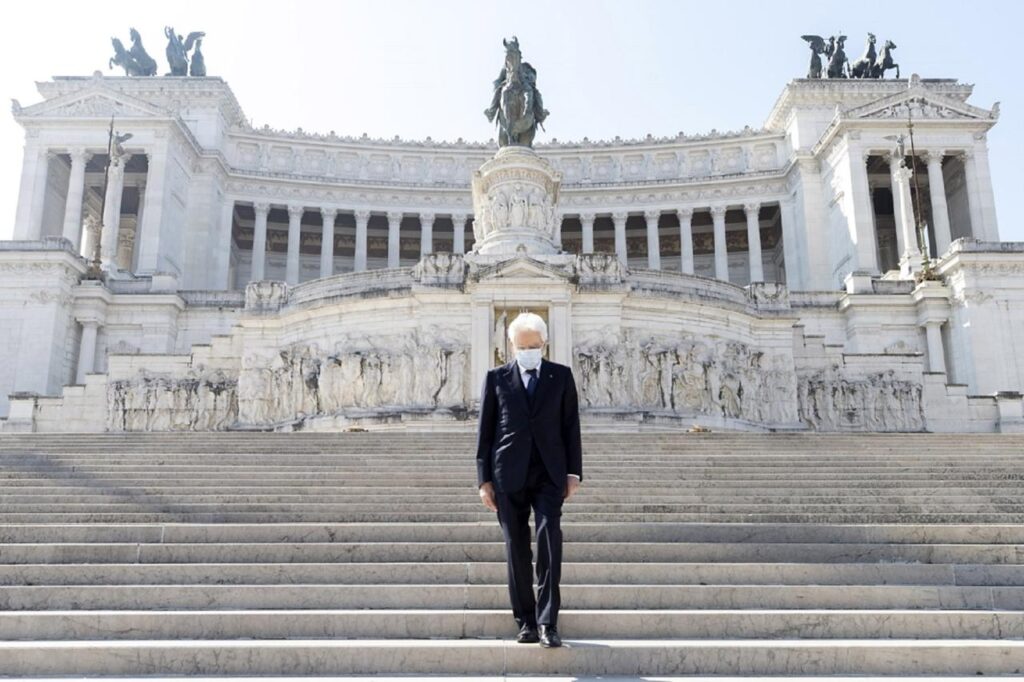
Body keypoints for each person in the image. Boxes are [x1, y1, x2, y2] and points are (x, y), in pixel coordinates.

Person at [475, 312, 583, 648]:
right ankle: (525, 621)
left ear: (544, 344)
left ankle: (548, 622)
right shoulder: (496, 378)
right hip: (508, 473)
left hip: (550, 473)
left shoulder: (561, 376)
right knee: (516, 549)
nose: (528, 351)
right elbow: (486, 432)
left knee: (550, 540)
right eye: (522, 347)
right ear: (512, 346)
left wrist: (573, 472)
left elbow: (571, 426)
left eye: (534, 346)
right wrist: (483, 481)